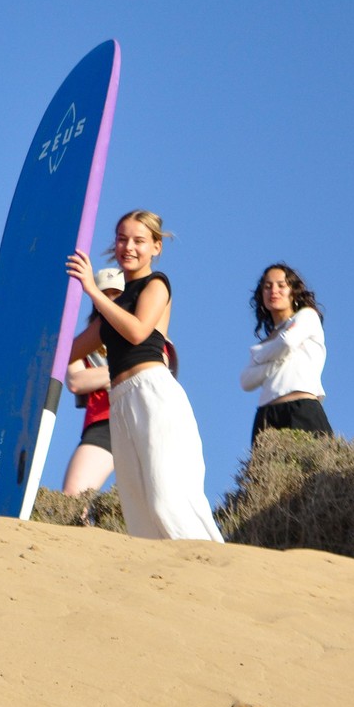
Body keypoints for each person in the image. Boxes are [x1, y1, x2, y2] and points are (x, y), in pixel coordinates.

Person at [66, 211, 222, 541]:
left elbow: (138, 331)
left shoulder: (157, 284)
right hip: (120, 404)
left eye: (139, 240)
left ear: (156, 247)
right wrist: (2, 331)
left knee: (169, 498)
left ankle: (212, 570)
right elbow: (66, 353)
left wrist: (93, 291)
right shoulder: (114, 306)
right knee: (140, 511)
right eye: (122, 239)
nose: (129, 247)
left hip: (153, 393)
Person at [240, 263, 333, 446]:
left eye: (281, 285)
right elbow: (246, 380)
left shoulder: (307, 316)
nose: (274, 290)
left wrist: (260, 357)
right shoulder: (264, 343)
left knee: (314, 471)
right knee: (267, 473)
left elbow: (287, 341)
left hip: (302, 409)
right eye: (267, 286)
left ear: (293, 292)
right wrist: (278, 359)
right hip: (266, 417)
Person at [62, 267, 122, 496]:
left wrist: (102, 377)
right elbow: (76, 380)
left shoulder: (145, 327)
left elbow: (159, 366)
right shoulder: (80, 343)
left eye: (116, 294)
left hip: (143, 417)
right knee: (73, 497)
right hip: (103, 422)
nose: (110, 300)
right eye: (104, 294)